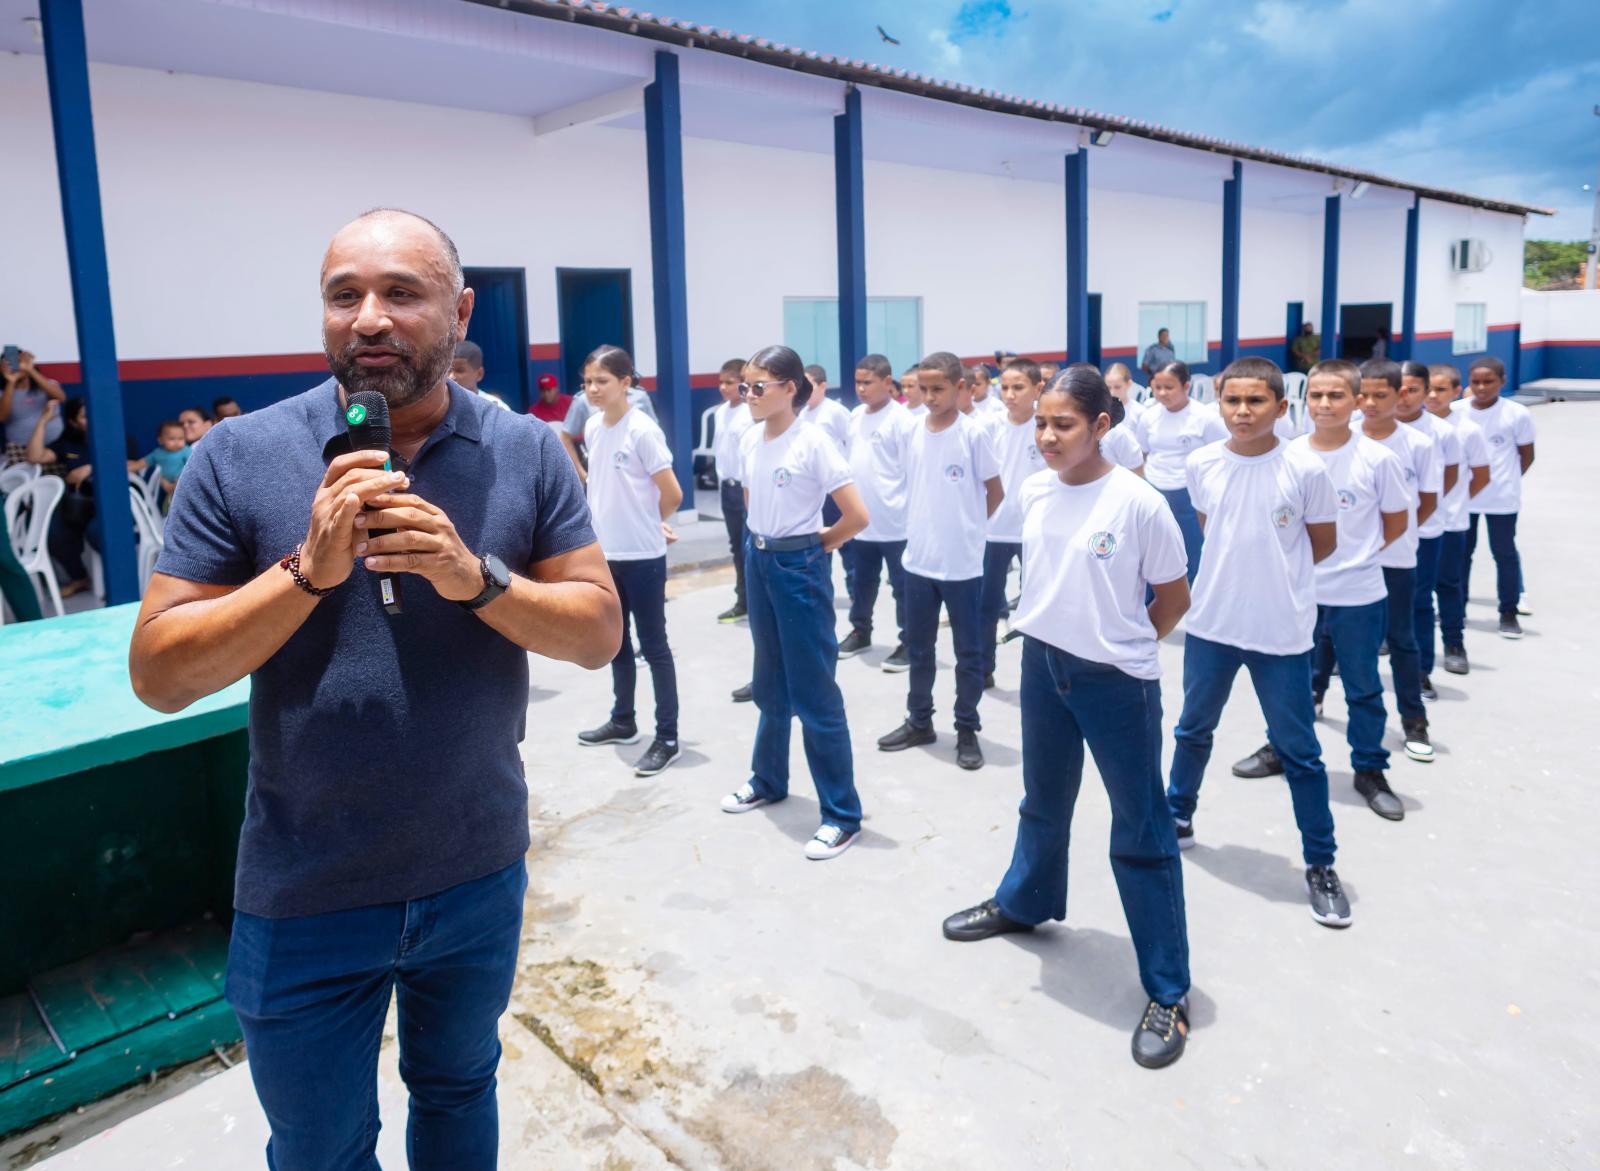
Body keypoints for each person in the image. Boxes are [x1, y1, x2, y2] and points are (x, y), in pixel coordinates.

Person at [127, 208, 622, 1170]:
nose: (369, 318)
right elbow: (160, 673)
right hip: (306, 890)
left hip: (475, 871)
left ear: (461, 308)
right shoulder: (240, 455)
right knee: (320, 1149)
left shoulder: (522, 451)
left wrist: (474, 576)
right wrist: (304, 572)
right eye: (344, 294)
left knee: (457, 1093)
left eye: (401, 292)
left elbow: (600, 632)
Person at [940, 366, 1194, 1070]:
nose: (1047, 436)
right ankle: (1025, 900)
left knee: (1141, 828)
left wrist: (1119, 640)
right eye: (1041, 423)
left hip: (1118, 683)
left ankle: (1169, 989)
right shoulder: (1034, 490)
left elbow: (1173, 600)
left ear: (1101, 426)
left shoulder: (1139, 503)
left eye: (1064, 425)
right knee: (1043, 803)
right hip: (1043, 666)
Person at [1163, 358, 1351, 928]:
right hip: (1213, 625)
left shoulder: (1306, 469)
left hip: (1281, 633)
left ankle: (1320, 863)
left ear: (1279, 406)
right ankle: (1177, 818)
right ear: (1218, 404)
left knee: (1300, 753)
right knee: (1194, 729)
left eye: (1256, 402)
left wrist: (1274, 581)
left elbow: (1321, 544)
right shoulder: (1202, 463)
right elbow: (1210, 531)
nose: (1242, 412)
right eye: (1232, 402)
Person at [719, 345, 869, 861]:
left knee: (815, 691)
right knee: (770, 679)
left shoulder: (814, 442)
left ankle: (842, 815)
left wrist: (813, 547)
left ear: (790, 387)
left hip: (798, 565)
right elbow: (750, 501)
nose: (750, 396)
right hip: (759, 559)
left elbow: (856, 516)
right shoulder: (749, 437)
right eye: (746, 386)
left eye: (759, 386)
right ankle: (768, 778)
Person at [1293, 359, 1411, 821]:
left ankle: (1370, 769)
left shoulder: (1378, 458)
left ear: (1357, 401)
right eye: (1316, 395)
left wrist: (1356, 557)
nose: (1324, 404)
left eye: (1336, 395)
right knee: (1293, 682)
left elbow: (1396, 522)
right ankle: (1284, 747)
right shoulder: (1291, 453)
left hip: (1358, 594)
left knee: (1362, 688)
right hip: (1300, 592)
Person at [877, 352, 1002, 771]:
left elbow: (994, 491)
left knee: (969, 653)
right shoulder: (912, 431)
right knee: (920, 649)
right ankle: (920, 721)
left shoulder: (973, 434)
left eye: (938, 389)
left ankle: (967, 728)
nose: (929, 397)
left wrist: (969, 529)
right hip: (918, 561)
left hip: (962, 565)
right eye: (922, 389)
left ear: (960, 388)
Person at [574, 345, 684, 777]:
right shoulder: (593, 426)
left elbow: (671, 493)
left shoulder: (642, 430)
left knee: (654, 646)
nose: (593, 389)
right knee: (615, 642)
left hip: (642, 556)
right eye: (587, 382)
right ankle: (624, 721)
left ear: (626, 382)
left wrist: (650, 521)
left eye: (602, 381)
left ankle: (668, 737)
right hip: (606, 554)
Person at [1354, 358, 1439, 764]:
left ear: (1400, 394)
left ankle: (1414, 720)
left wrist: (1393, 537)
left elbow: (1428, 500)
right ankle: (1313, 697)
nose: (1370, 403)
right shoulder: (1344, 437)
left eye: (1380, 395)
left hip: (1396, 560)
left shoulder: (1419, 445)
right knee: (1323, 636)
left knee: (1402, 639)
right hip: (1345, 562)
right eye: (1364, 395)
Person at [838, 354, 914, 671]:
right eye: (857, 382)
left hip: (897, 523)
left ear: (887, 383)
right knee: (861, 583)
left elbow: (913, 472)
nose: (861, 388)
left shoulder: (904, 420)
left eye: (867, 382)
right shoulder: (855, 416)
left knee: (903, 589)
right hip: (863, 522)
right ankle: (861, 631)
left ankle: (910, 642)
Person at [1397, 360, 1465, 696]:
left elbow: (1448, 481)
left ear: (1426, 391)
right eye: (1401, 388)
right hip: (1371, 535)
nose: (1405, 396)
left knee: (1419, 601)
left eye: (1414, 389)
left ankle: (1420, 672)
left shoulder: (1443, 434)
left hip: (1423, 530)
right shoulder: (1362, 426)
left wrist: (1413, 520)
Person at [1456, 356, 1534, 639]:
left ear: (1502, 381)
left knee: (1504, 554)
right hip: (1464, 499)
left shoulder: (1516, 413)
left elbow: (1526, 456)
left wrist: (1507, 481)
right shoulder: (1457, 412)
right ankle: (1457, 609)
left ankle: (1508, 613)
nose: (1481, 387)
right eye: (1475, 381)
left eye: (1488, 381)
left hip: (1502, 499)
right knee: (1461, 555)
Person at [978, 357, 1044, 686]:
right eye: (1004, 387)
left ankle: (1038, 673)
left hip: (1035, 532)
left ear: (1038, 389)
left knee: (1038, 604)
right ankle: (984, 668)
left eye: (1018, 387)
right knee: (986, 604)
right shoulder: (989, 426)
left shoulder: (1046, 428)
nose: (1010, 394)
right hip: (994, 530)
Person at [1133, 360, 1227, 583]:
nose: (1162, 393)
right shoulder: (1149, 416)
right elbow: (1144, 453)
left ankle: (1194, 590)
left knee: (1192, 545)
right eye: (1157, 388)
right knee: (1156, 546)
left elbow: (1220, 455)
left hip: (1189, 492)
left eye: (1169, 387)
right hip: (1156, 488)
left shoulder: (1205, 418)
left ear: (1186, 386)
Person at [1425, 364, 1491, 675]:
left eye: (1440, 389)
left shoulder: (1467, 431)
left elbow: (1480, 475)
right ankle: (1390, 637)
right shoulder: (1407, 427)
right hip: (1411, 525)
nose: (1432, 395)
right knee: (1405, 589)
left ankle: (1454, 643)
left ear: (1455, 392)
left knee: (1448, 585)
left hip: (1450, 523)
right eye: (1428, 388)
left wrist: (1457, 502)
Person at [710, 357, 754, 623]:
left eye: (730, 382)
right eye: (721, 382)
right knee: (736, 547)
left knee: (750, 546)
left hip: (745, 488)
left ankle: (757, 600)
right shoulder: (720, 412)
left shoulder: (750, 412)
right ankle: (743, 600)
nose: (724, 388)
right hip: (727, 487)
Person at [560, 366, 656, 483]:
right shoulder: (583, 401)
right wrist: (583, 475)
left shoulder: (640, 397)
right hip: (600, 473)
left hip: (635, 472)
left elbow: (654, 437)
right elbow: (565, 437)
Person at [1, 348, 66, 465]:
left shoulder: (47, 384)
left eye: (19, 362)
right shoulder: (3, 393)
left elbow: (61, 398)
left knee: (56, 481)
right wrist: (11, 381)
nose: (16, 366)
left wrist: (30, 370)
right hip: (20, 448)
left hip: (55, 445)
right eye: (10, 364)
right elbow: (2, 417)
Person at [448, 340, 511, 410]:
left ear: (479, 374)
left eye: (459, 371)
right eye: (448, 371)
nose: (451, 376)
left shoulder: (496, 408)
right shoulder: (441, 408)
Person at [141, 419, 192, 503]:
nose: (177, 442)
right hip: (167, 487)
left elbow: (192, 467)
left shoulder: (186, 451)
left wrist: (176, 484)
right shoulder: (158, 453)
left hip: (183, 483)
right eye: (172, 439)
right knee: (169, 503)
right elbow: (142, 463)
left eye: (181, 438)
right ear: (160, 440)